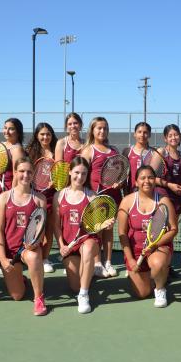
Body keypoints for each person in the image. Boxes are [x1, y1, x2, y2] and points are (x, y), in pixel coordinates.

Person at [53, 157, 112, 313]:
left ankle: (84, 295)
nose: (80, 177)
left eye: (84, 174)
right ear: (70, 171)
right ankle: (87, 272)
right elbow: (56, 226)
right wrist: (61, 246)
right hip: (69, 245)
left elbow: (96, 226)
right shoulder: (58, 196)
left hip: (87, 240)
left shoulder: (92, 196)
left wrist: (103, 225)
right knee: (75, 286)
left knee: (88, 250)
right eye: (77, 172)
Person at [0, 157, 48, 316]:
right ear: (15, 172)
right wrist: (2, 258)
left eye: (29, 172)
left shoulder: (40, 199)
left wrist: (35, 242)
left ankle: (38, 298)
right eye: (22, 171)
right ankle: (22, 279)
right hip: (10, 253)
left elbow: (41, 230)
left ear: (34, 175)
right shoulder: (4, 198)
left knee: (33, 257)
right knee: (17, 296)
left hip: (28, 249)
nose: (26, 175)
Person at [118, 165, 178, 307]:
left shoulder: (164, 201)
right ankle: (156, 276)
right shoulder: (127, 201)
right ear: (136, 182)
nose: (147, 181)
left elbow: (173, 229)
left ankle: (160, 288)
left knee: (157, 263)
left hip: (157, 248)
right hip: (136, 251)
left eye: (151, 177)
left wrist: (154, 245)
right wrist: (131, 259)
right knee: (142, 293)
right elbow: (122, 233)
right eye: (142, 178)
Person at [80, 117, 121, 278]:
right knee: (97, 230)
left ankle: (108, 262)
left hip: (113, 196)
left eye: (105, 128)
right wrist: (88, 194)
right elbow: (82, 174)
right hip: (95, 197)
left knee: (109, 229)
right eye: (99, 128)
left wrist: (119, 182)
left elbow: (119, 171)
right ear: (92, 131)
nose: (102, 131)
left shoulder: (114, 150)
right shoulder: (88, 150)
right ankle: (97, 263)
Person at [156, 124, 181, 279]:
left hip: (178, 197)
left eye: (176, 135)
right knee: (166, 232)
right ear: (165, 138)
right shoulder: (161, 153)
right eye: (170, 135)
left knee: (174, 231)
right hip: (163, 196)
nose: (173, 138)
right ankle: (164, 267)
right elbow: (150, 176)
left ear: (180, 137)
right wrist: (169, 185)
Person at [26, 122, 58, 274]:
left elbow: (62, 173)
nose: (45, 137)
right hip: (35, 196)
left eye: (48, 134)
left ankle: (45, 258)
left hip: (52, 197)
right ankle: (33, 256)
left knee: (49, 230)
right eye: (42, 134)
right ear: (37, 136)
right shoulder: (30, 153)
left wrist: (55, 181)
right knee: (36, 229)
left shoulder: (57, 152)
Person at [123, 122, 153, 192]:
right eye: (139, 132)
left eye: (145, 132)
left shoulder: (154, 153)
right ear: (134, 134)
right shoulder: (127, 151)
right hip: (131, 192)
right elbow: (123, 174)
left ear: (149, 135)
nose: (142, 135)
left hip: (149, 193)